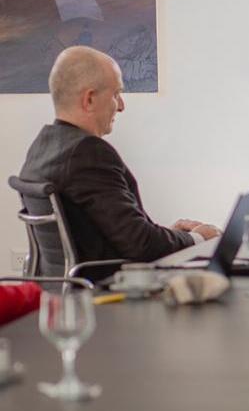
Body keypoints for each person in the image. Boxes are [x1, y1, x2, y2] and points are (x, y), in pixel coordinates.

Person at [17, 47, 220, 277]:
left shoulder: (41, 147)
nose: (121, 105)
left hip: (63, 292)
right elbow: (141, 246)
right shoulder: (89, 153)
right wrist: (199, 238)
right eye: (116, 94)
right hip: (107, 294)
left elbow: (118, 234)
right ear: (90, 99)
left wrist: (167, 234)